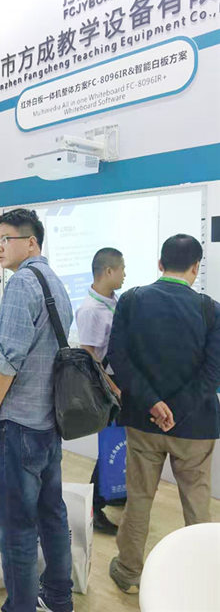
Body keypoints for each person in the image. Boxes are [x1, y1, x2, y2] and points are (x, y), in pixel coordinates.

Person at [106, 234, 220, 594]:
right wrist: (178, 409)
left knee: (139, 498)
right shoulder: (211, 310)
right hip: (196, 426)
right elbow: (213, 372)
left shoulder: (131, 300)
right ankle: (202, 580)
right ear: (196, 267)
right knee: (197, 504)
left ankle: (128, 571)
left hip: (144, 421)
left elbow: (118, 358)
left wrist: (154, 403)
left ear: (159, 264)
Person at [0, 208, 73, 612]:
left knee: (15, 526)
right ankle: (59, 598)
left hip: (18, 426)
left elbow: (8, 359)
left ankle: (20, 606)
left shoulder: (20, 284)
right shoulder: (56, 282)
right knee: (52, 516)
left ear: (31, 242)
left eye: (7, 239)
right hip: (49, 425)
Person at [71, 247, 126, 534]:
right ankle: (94, 505)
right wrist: (113, 387)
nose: (125, 274)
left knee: (118, 441)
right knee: (109, 446)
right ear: (108, 271)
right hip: (107, 386)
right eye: (122, 269)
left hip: (119, 382)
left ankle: (113, 492)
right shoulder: (91, 310)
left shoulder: (112, 301)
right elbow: (90, 356)